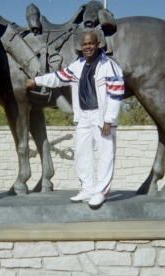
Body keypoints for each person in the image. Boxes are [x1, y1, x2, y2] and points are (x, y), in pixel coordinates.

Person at [26, 31, 124, 209]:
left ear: (97, 44)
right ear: (81, 46)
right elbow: (58, 78)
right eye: (85, 44)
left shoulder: (109, 66)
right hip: (83, 116)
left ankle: (101, 192)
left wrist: (109, 120)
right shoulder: (77, 66)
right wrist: (36, 81)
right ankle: (87, 189)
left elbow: (116, 93)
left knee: (105, 154)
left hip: (101, 117)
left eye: (91, 43)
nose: (87, 47)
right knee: (82, 153)